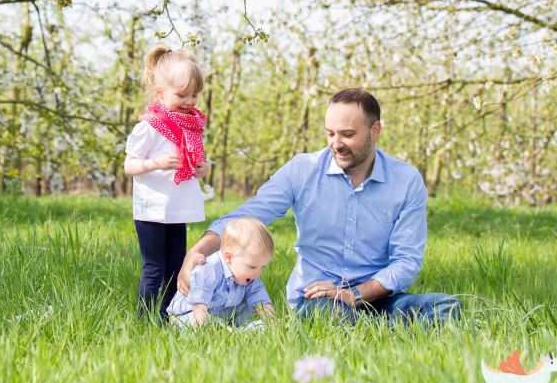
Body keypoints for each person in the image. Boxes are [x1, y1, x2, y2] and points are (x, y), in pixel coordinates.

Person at [178, 88, 461, 326]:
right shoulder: (303, 170)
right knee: (335, 317)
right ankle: (388, 331)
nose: (336, 144)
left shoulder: (406, 180)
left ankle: (379, 327)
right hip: (317, 300)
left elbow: (406, 261)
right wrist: (197, 250)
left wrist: (355, 294)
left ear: (375, 131)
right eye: (330, 134)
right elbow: (249, 214)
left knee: (447, 307)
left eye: (347, 134)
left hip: (377, 297)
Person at [125, 44, 211, 318]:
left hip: (177, 208)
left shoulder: (192, 125)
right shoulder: (150, 126)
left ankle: (172, 315)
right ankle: (148, 317)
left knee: (177, 266)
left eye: (194, 95)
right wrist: (155, 163)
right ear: (161, 93)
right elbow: (129, 165)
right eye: (182, 95)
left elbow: (196, 162)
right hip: (152, 209)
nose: (189, 101)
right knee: (154, 268)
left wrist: (202, 169)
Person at [167, 217, 276, 328]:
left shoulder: (249, 275)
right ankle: (229, 330)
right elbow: (199, 306)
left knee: (249, 304)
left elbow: (260, 299)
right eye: (252, 267)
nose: (257, 273)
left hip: (221, 314)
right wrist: (200, 329)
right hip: (188, 315)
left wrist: (273, 324)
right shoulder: (209, 269)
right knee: (209, 322)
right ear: (229, 258)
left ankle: (238, 328)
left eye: (261, 267)